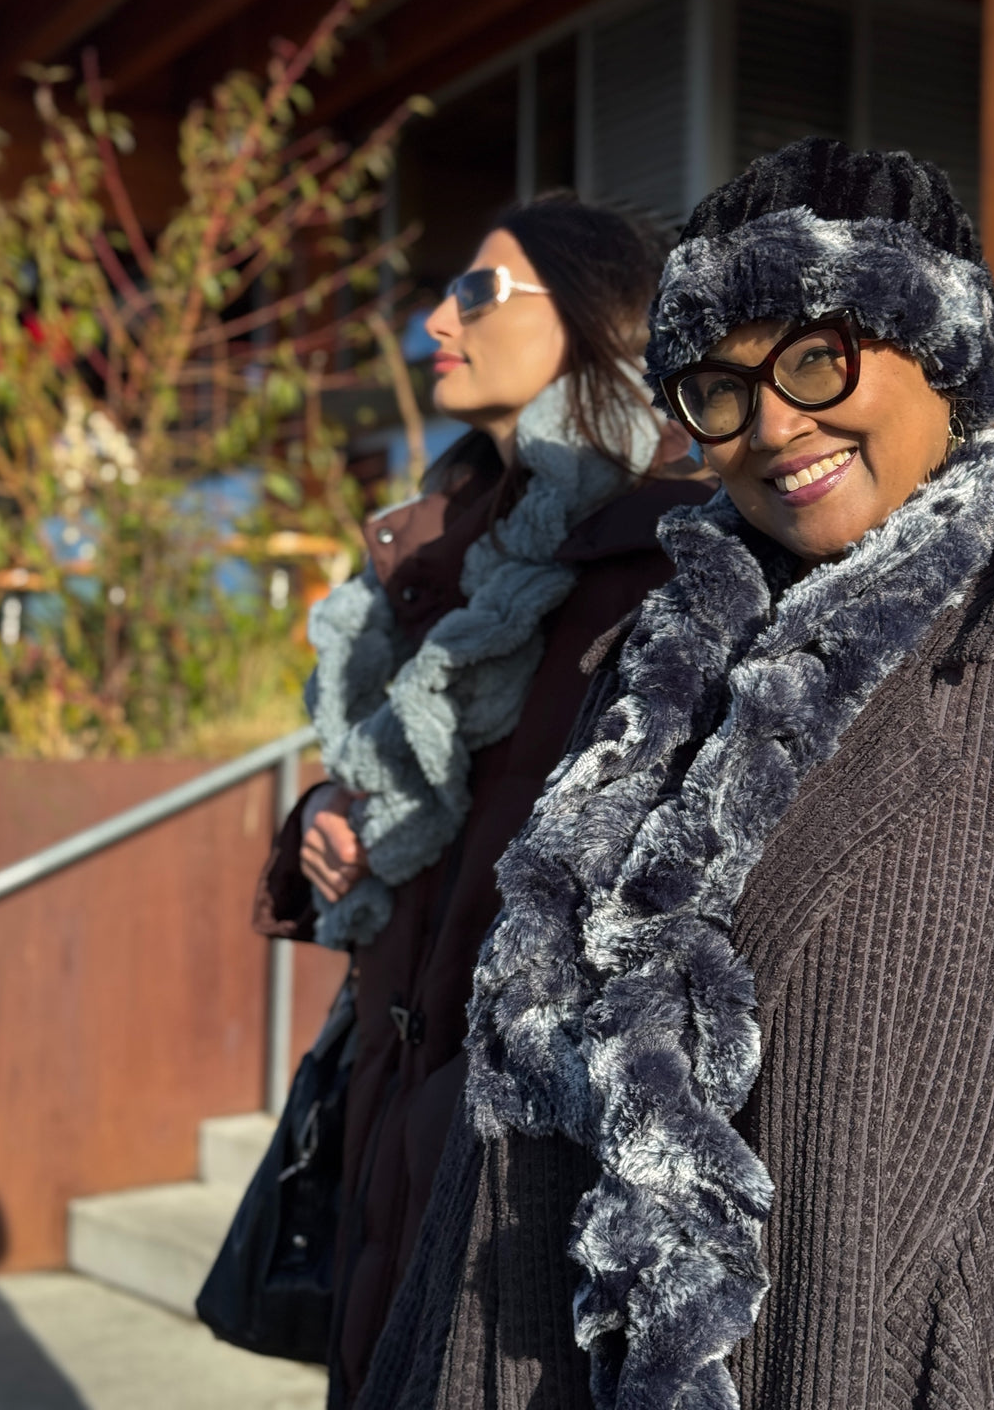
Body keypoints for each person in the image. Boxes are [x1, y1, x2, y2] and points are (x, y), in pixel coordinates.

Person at [360, 139, 994, 1410]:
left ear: (943, 354)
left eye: (817, 358)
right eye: (719, 386)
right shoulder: (655, 658)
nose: (773, 426)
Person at [252, 191, 712, 1405]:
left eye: (478, 291)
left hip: (519, 1160)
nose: (437, 320)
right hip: (388, 1110)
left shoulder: (668, 555)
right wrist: (318, 821)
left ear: (598, 319)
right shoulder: (431, 554)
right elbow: (396, 775)